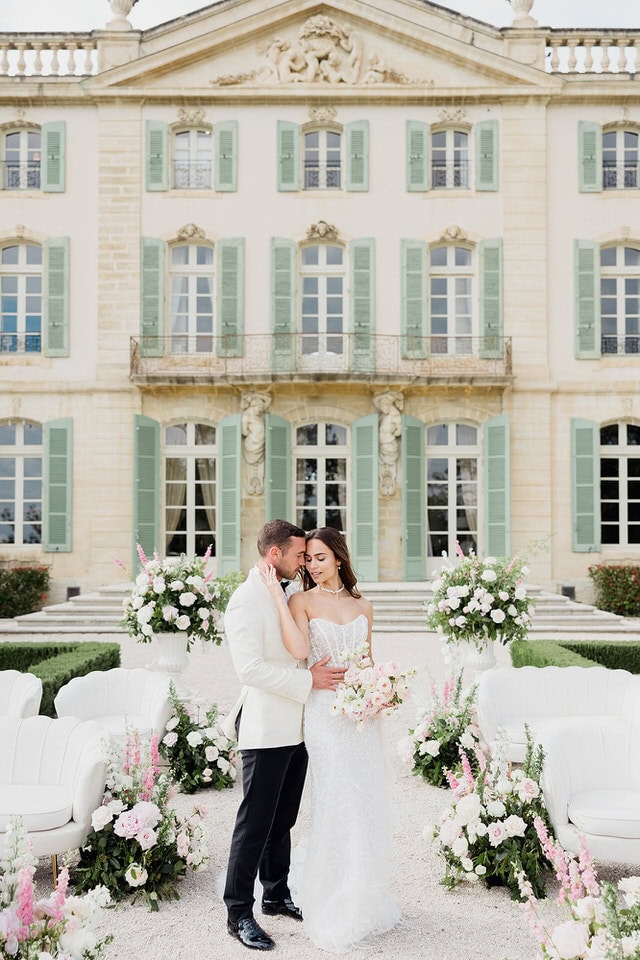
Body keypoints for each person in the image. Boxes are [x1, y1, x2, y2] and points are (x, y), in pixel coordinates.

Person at [261, 526, 402, 953]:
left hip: (362, 718)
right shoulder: (300, 600)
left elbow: (368, 661)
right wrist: (277, 601)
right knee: (337, 796)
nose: (312, 565)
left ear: (339, 559)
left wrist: (382, 691)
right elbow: (300, 651)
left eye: (320, 557)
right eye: (308, 559)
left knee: (365, 799)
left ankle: (363, 891)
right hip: (325, 714)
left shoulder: (365, 606)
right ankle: (332, 892)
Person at [222, 519, 346, 952]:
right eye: (298, 555)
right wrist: (308, 681)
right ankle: (238, 913)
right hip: (264, 727)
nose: (304, 562)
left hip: (300, 726)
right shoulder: (243, 602)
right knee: (253, 824)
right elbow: (249, 670)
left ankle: (275, 894)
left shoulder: (289, 592)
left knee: (284, 821)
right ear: (275, 555)